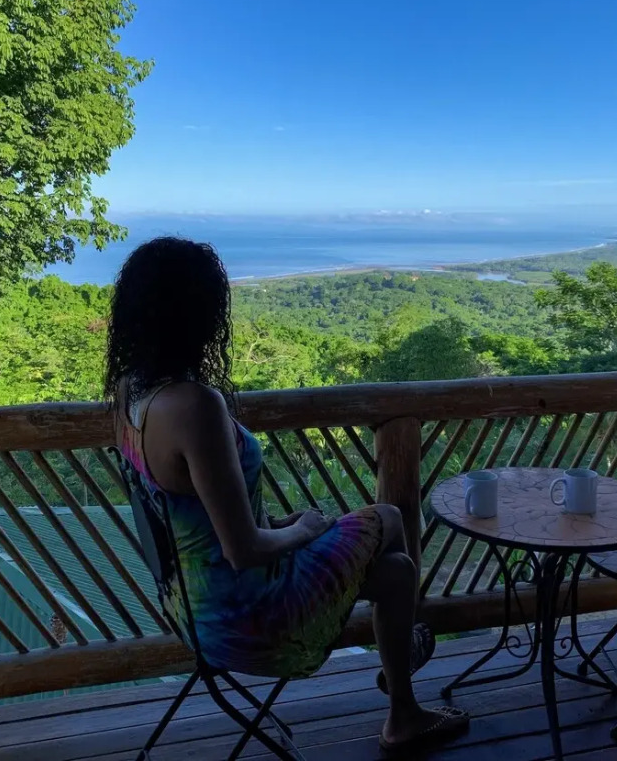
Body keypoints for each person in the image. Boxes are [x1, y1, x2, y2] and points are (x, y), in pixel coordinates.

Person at [105, 237, 469, 753]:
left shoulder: (130, 394)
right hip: (250, 615)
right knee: (388, 516)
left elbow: (195, 521)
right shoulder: (193, 406)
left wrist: (273, 525)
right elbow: (243, 551)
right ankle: (405, 659)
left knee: (395, 573)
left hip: (188, 610)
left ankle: (404, 709)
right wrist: (303, 529)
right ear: (199, 314)